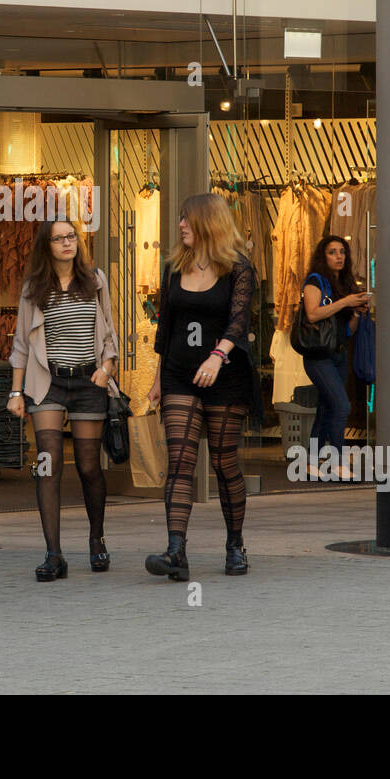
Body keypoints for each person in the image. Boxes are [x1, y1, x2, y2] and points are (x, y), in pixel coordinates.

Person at [145, 193, 261, 581]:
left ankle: (235, 544)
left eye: (187, 220)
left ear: (209, 224)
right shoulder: (174, 267)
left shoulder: (239, 269)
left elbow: (238, 322)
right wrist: (158, 377)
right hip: (179, 373)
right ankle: (176, 551)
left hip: (225, 376)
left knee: (224, 463)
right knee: (179, 463)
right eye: (180, 219)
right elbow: (167, 326)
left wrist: (218, 356)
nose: (180, 226)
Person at [8, 218, 119, 581]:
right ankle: (53, 554)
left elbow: (108, 332)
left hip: (89, 380)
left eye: (71, 236)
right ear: (47, 246)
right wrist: (15, 391)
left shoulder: (95, 280)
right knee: (48, 464)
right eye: (59, 239)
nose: (67, 243)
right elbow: (22, 344)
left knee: (89, 467)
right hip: (48, 383)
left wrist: (107, 368)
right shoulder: (34, 288)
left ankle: (96, 538)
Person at [300, 235, 370, 480]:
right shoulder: (315, 281)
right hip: (318, 356)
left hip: (338, 354)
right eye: (332, 252)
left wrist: (357, 312)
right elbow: (312, 314)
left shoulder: (345, 284)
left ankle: (309, 462)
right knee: (342, 405)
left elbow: (346, 331)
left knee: (327, 407)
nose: (339, 256)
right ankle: (337, 462)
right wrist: (345, 302)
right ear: (323, 256)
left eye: (342, 251)